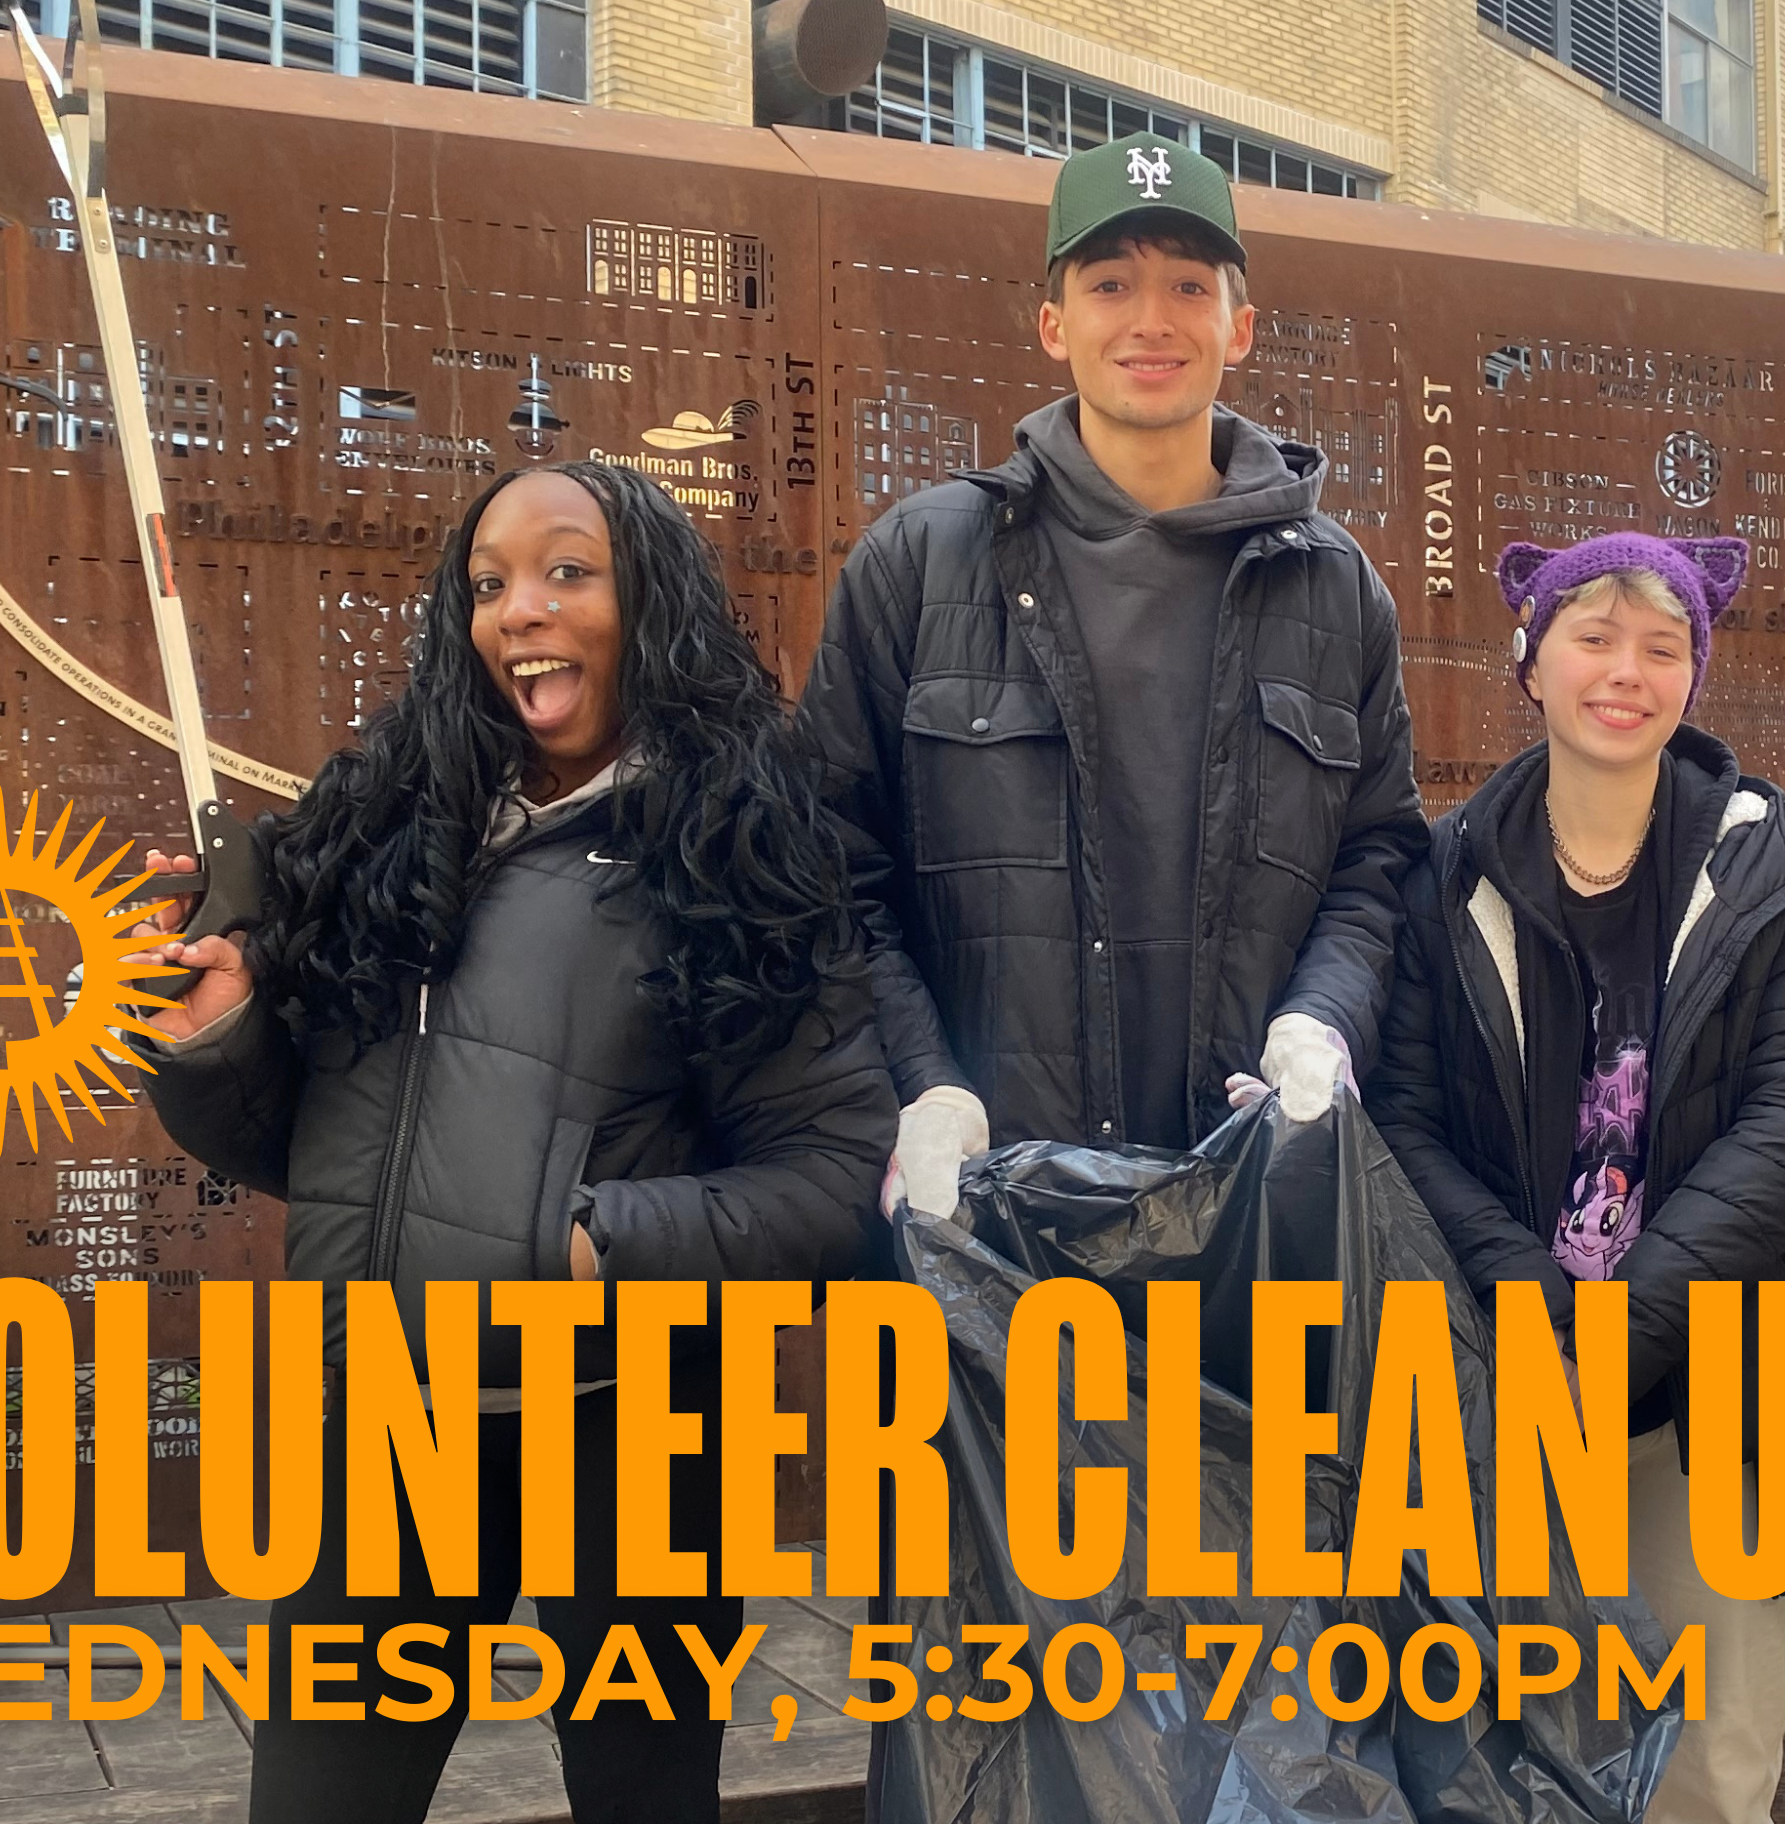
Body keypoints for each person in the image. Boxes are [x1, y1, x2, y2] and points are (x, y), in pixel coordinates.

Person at [127, 462, 897, 1824]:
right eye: (488, 585)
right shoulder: (384, 832)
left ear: (645, 601)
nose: (519, 611)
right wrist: (219, 1036)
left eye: (566, 572)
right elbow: (312, 1155)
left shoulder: (736, 846)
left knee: (642, 1797)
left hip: (630, 1426)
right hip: (391, 1425)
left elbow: (840, 1176)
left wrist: (602, 1241)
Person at [790, 131, 1425, 1206]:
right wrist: (926, 1083)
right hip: (987, 1204)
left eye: (1188, 283)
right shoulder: (923, 559)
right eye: (1110, 283)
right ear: (1053, 324)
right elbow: (830, 866)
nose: (1151, 319)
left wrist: (1321, 1019)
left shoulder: (1334, 587)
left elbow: (1378, 861)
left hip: (1250, 1200)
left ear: (1242, 326)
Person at [1367, 531, 1785, 1824]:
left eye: (1663, 645)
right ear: (1530, 660)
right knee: (1499, 1735)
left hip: (1709, 1381)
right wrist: (1525, 1295)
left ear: (1696, 672)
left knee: (1711, 1750)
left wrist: (1632, 1313)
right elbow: (1404, 1116)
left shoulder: (1772, 870)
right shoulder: (1444, 873)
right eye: (1593, 638)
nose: (1625, 672)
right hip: (1493, 1367)